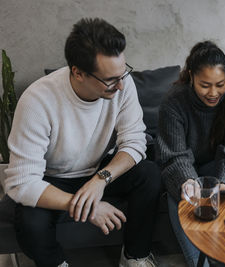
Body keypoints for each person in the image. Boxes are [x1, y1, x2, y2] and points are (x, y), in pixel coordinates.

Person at [4, 18, 161, 267]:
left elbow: (134, 142)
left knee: (149, 174)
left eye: (123, 74)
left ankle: (135, 256)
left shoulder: (123, 83)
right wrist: (88, 206)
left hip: (97, 169)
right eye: (110, 80)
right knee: (30, 221)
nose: (121, 85)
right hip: (52, 177)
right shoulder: (37, 101)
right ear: (78, 72)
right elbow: (21, 182)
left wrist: (101, 180)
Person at [156, 41, 225, 266]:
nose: (214, 93)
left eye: (220, 84)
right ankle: (198, 262)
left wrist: (224, 186)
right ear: (191, 78)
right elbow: (176, 156)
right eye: (205, 85)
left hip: (214, 167)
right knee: (181, 197)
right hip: (180, 167)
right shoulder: (173, 102)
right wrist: (188, 182)